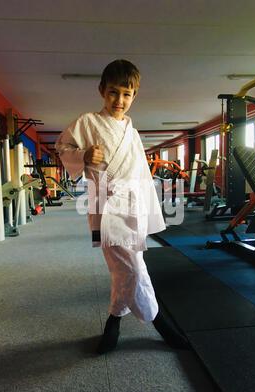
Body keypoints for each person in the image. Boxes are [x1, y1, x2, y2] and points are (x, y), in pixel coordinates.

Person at [56, 60, 189, 354]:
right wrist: (84, 155)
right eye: (113, 92)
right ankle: (159, 321)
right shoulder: (87, 122)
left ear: (134, 96)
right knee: (132, 267)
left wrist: (149, 208)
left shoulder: (131, 130)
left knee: (124, 270)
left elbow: (141, 172)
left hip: (133, 207)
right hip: (106, 208)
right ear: (102, 90)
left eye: (127, 94)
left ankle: (114, 321)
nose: (120, 100)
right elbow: (62, 147)